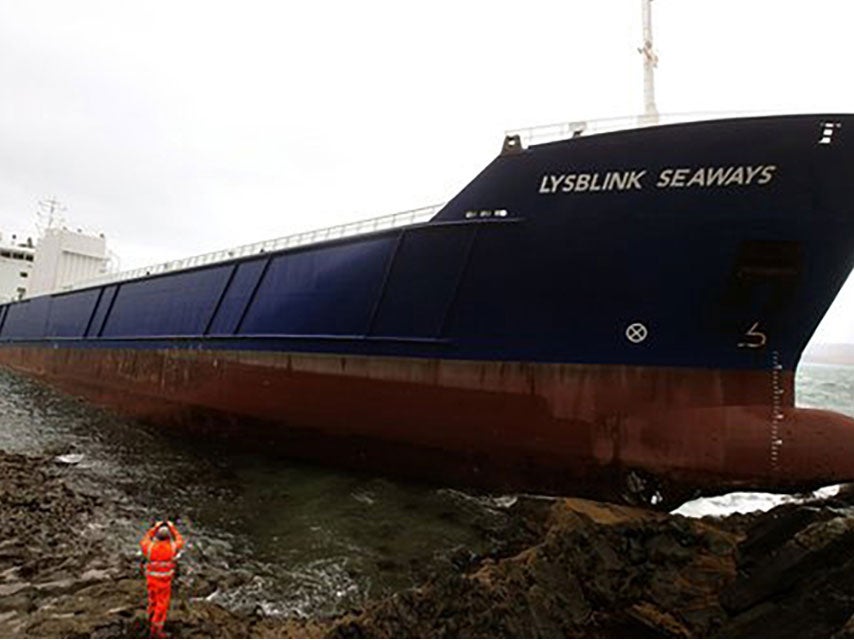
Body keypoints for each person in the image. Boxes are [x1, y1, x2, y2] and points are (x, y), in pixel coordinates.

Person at [139, 520, 185, 638]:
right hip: (164, 582)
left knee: (152, 600)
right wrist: (172, 527)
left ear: (157, 537)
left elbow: (145, 538)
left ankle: (150, 618)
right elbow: (180, 539)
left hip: (151, 579)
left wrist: (155, 527)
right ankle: (156, 630)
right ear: (168, 537)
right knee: (162, 605)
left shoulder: (149, 547)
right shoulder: (172, 547)